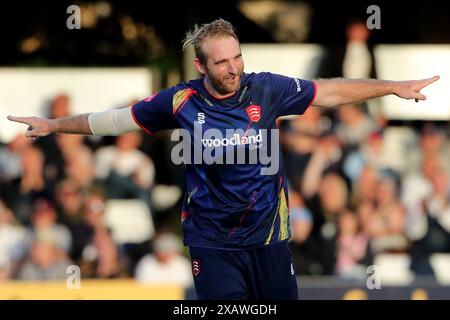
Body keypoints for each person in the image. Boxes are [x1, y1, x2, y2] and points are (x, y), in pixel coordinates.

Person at [7, 19, 439, 299]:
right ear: (200, 66)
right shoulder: (178, 102)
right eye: (222, 62)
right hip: (211, 243)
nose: (233, 69)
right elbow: (114, 121)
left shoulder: (266, 89)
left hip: (269, 238)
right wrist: (53, 124)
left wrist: (391, 86)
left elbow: (326, 92)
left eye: (237, 57)